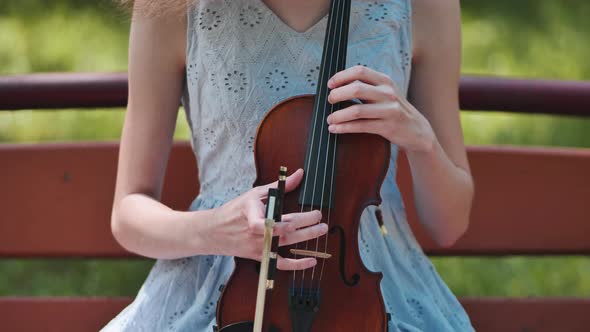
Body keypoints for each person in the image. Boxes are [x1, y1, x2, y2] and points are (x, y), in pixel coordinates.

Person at [103, 0, 475, 330]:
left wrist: (422, 140)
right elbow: (128, 213)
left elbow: (450, 224)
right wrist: (214, 228)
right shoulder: (173, 9)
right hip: (224, 293)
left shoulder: (425, 6)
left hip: (370, 298)